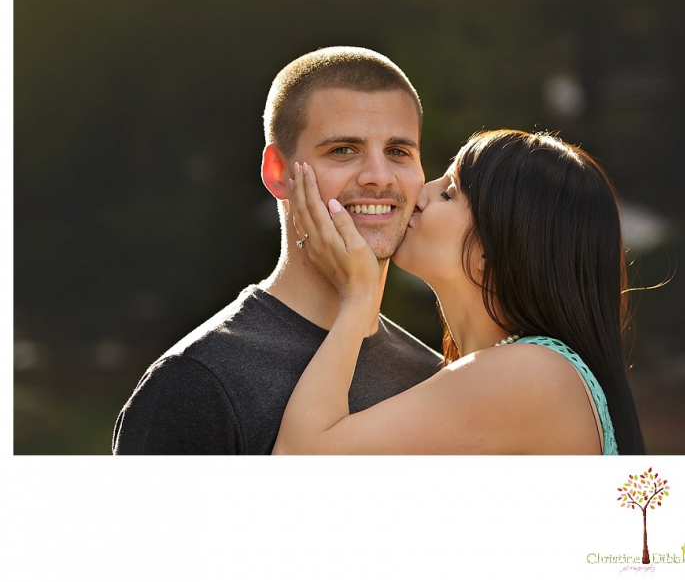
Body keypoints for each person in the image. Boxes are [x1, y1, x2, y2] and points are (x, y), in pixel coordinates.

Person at [111, 46, 441, 454]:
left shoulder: (435, 379)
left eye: (398, 152)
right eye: (343, 150)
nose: (378, 176)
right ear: (278, 173)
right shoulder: (196, 381)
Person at [273, 129, 646, 454]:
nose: (420, 193)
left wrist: (358, 298)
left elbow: (300, 460)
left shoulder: (530, 375)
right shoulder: (516, 371)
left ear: (494, 250)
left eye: (449, 193)